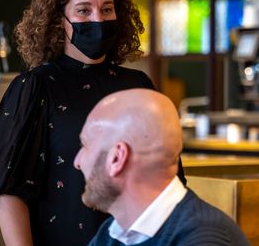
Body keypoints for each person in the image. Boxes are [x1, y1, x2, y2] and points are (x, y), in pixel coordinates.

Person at [0, 0, 173, 246]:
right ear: (60, 20)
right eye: (84, 10)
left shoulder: (139, 85)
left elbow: (166, 179)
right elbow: (10, 192)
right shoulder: (36, 86)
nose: (98, 18)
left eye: (107, 9)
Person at [75, 88, 249, 246]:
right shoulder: (113, 233)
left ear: (117, 158)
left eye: (85, 145)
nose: (77, 161)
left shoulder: (204, 238)